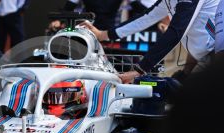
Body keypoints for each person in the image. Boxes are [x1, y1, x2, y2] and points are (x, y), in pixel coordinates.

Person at [80, 0, 219, 84]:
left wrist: (139, 70)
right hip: (207, 54)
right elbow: (146, 18)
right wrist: (103, 35)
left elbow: (175, 32)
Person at [49, 0, 123, 33]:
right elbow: (68, 8)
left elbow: (135, 11)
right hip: (89, 30)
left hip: (110, 31)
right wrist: (58, 20)